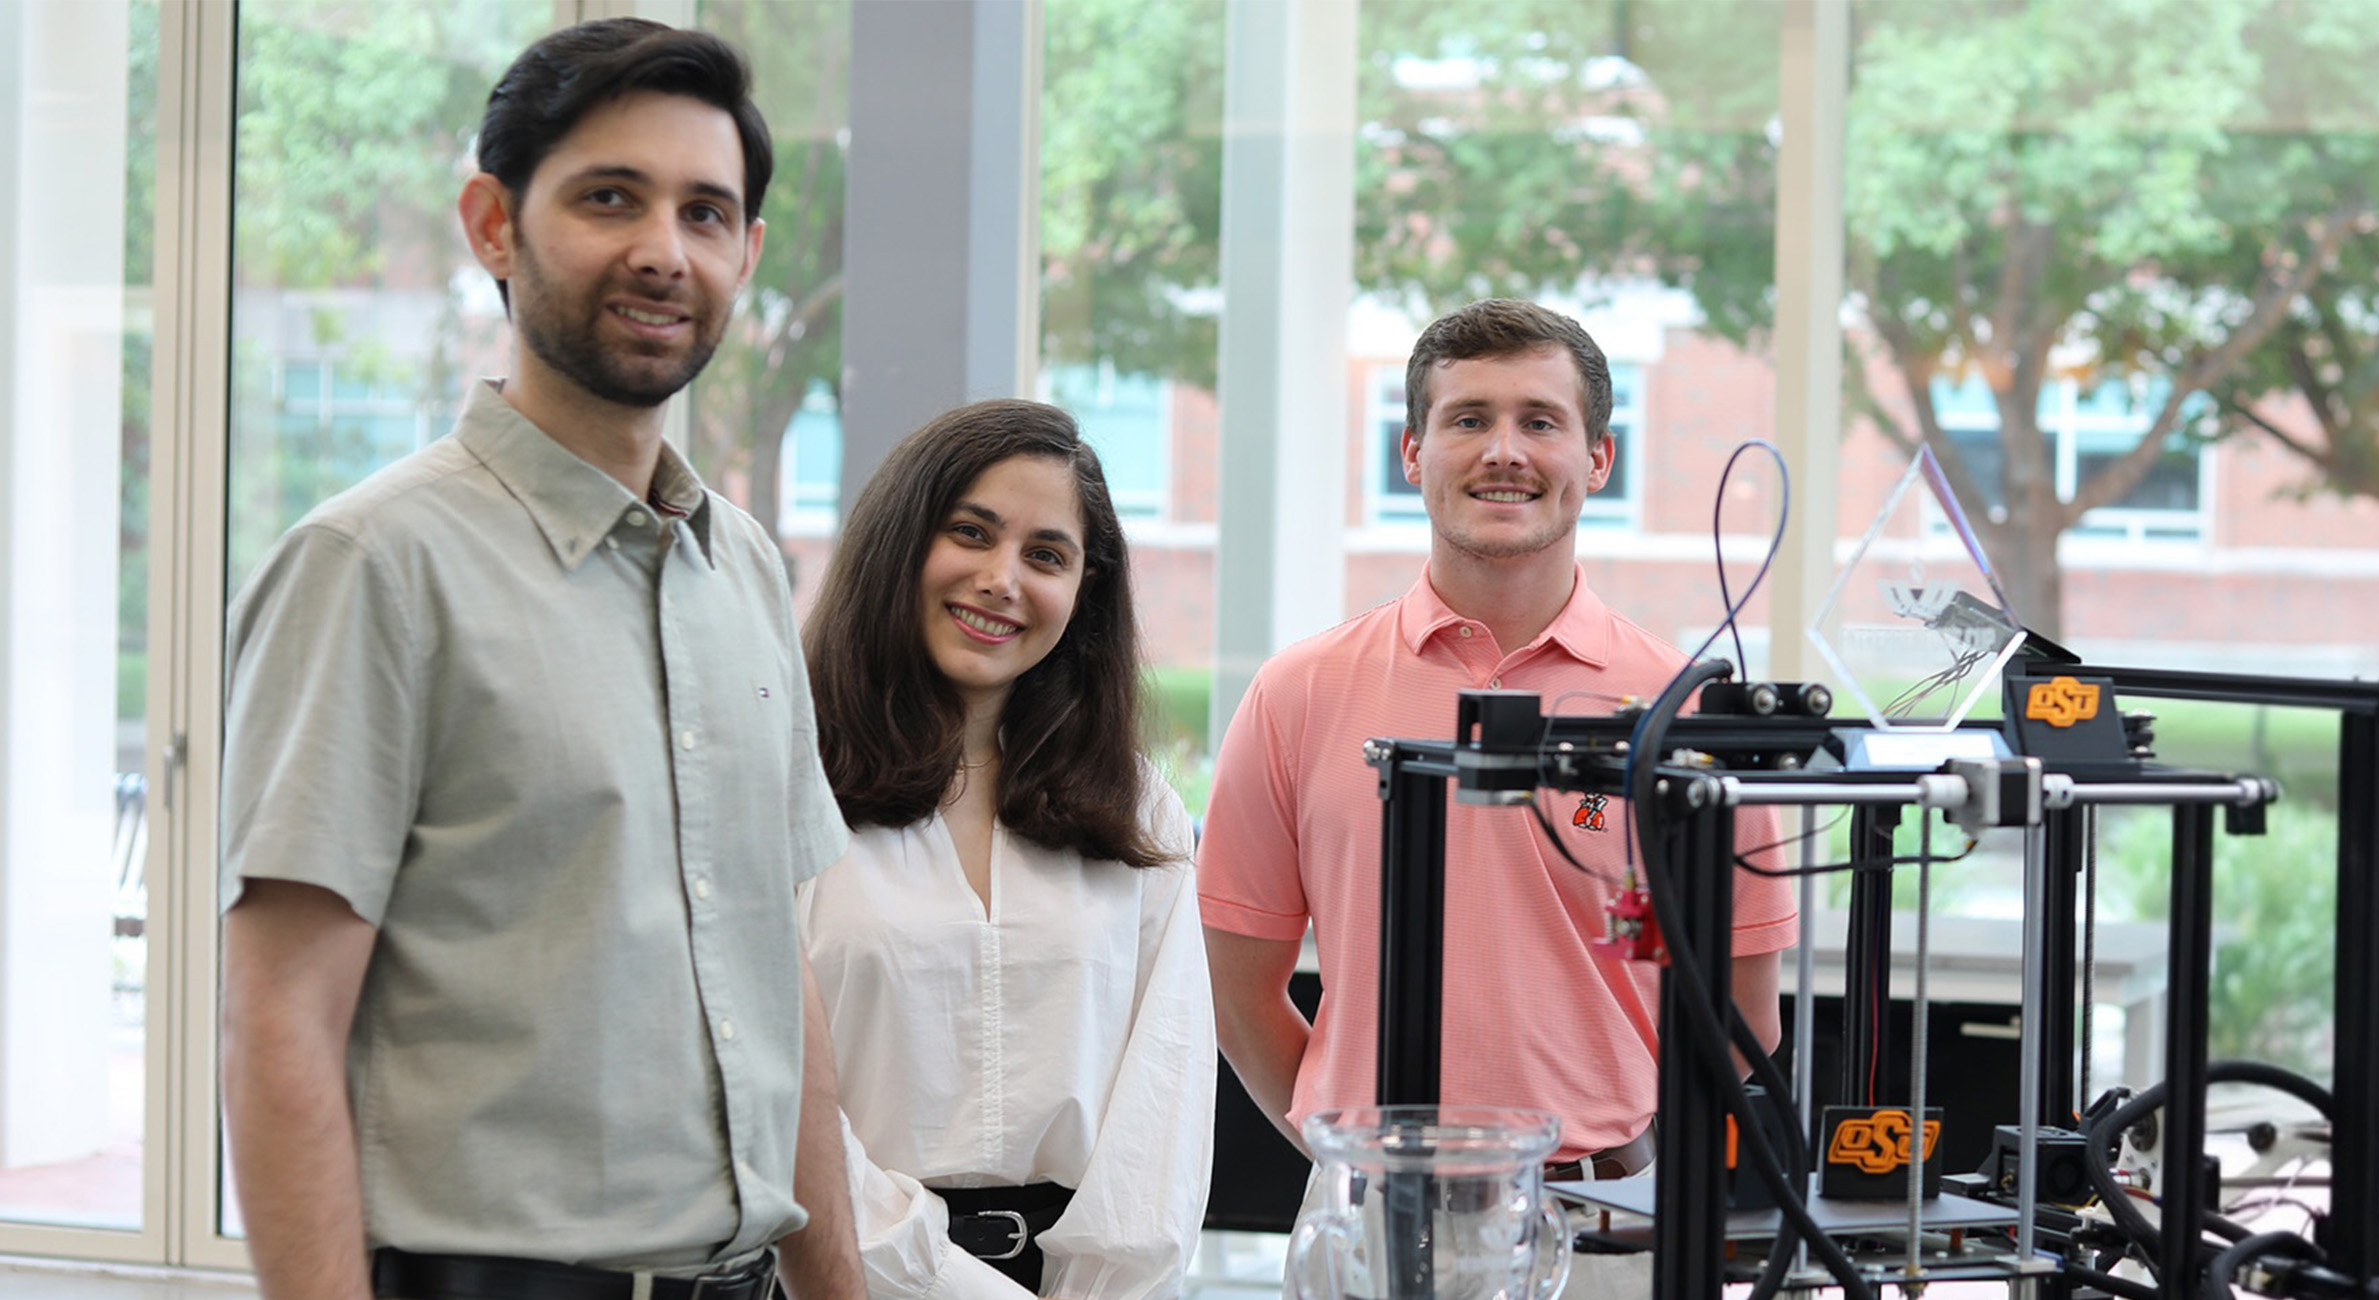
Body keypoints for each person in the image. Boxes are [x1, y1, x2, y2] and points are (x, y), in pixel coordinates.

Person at [219, 19, 861, 1300]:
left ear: (748, 253)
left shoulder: (739, 568)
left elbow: (770, 971)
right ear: (493, 226)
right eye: (608, 198)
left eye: (704, 212)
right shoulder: (372, 564)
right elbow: (279, 1019)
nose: (661, 252)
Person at [1196, 299, 1798, 1274]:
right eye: (1468, 419)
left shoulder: (1687, 715)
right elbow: (1238, 989)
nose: (1503, 451)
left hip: (1615, 1215)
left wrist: (1640, 1173)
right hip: (1371, 1221)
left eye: (1540, 421)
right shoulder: (1297, 694)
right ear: (1412, 452)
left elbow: (1742, 1021)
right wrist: (1344, 1150)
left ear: (1598, 459)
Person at [798, 400, 1215, 1300]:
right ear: (898, 546)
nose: (1001, 579)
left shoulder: (1138, 807)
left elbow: (1162, 1112)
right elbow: (778, 1106)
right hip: (838, 1279)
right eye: (970, 533)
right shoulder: (783, 785)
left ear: (1085, 590)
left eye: (1046, 555)